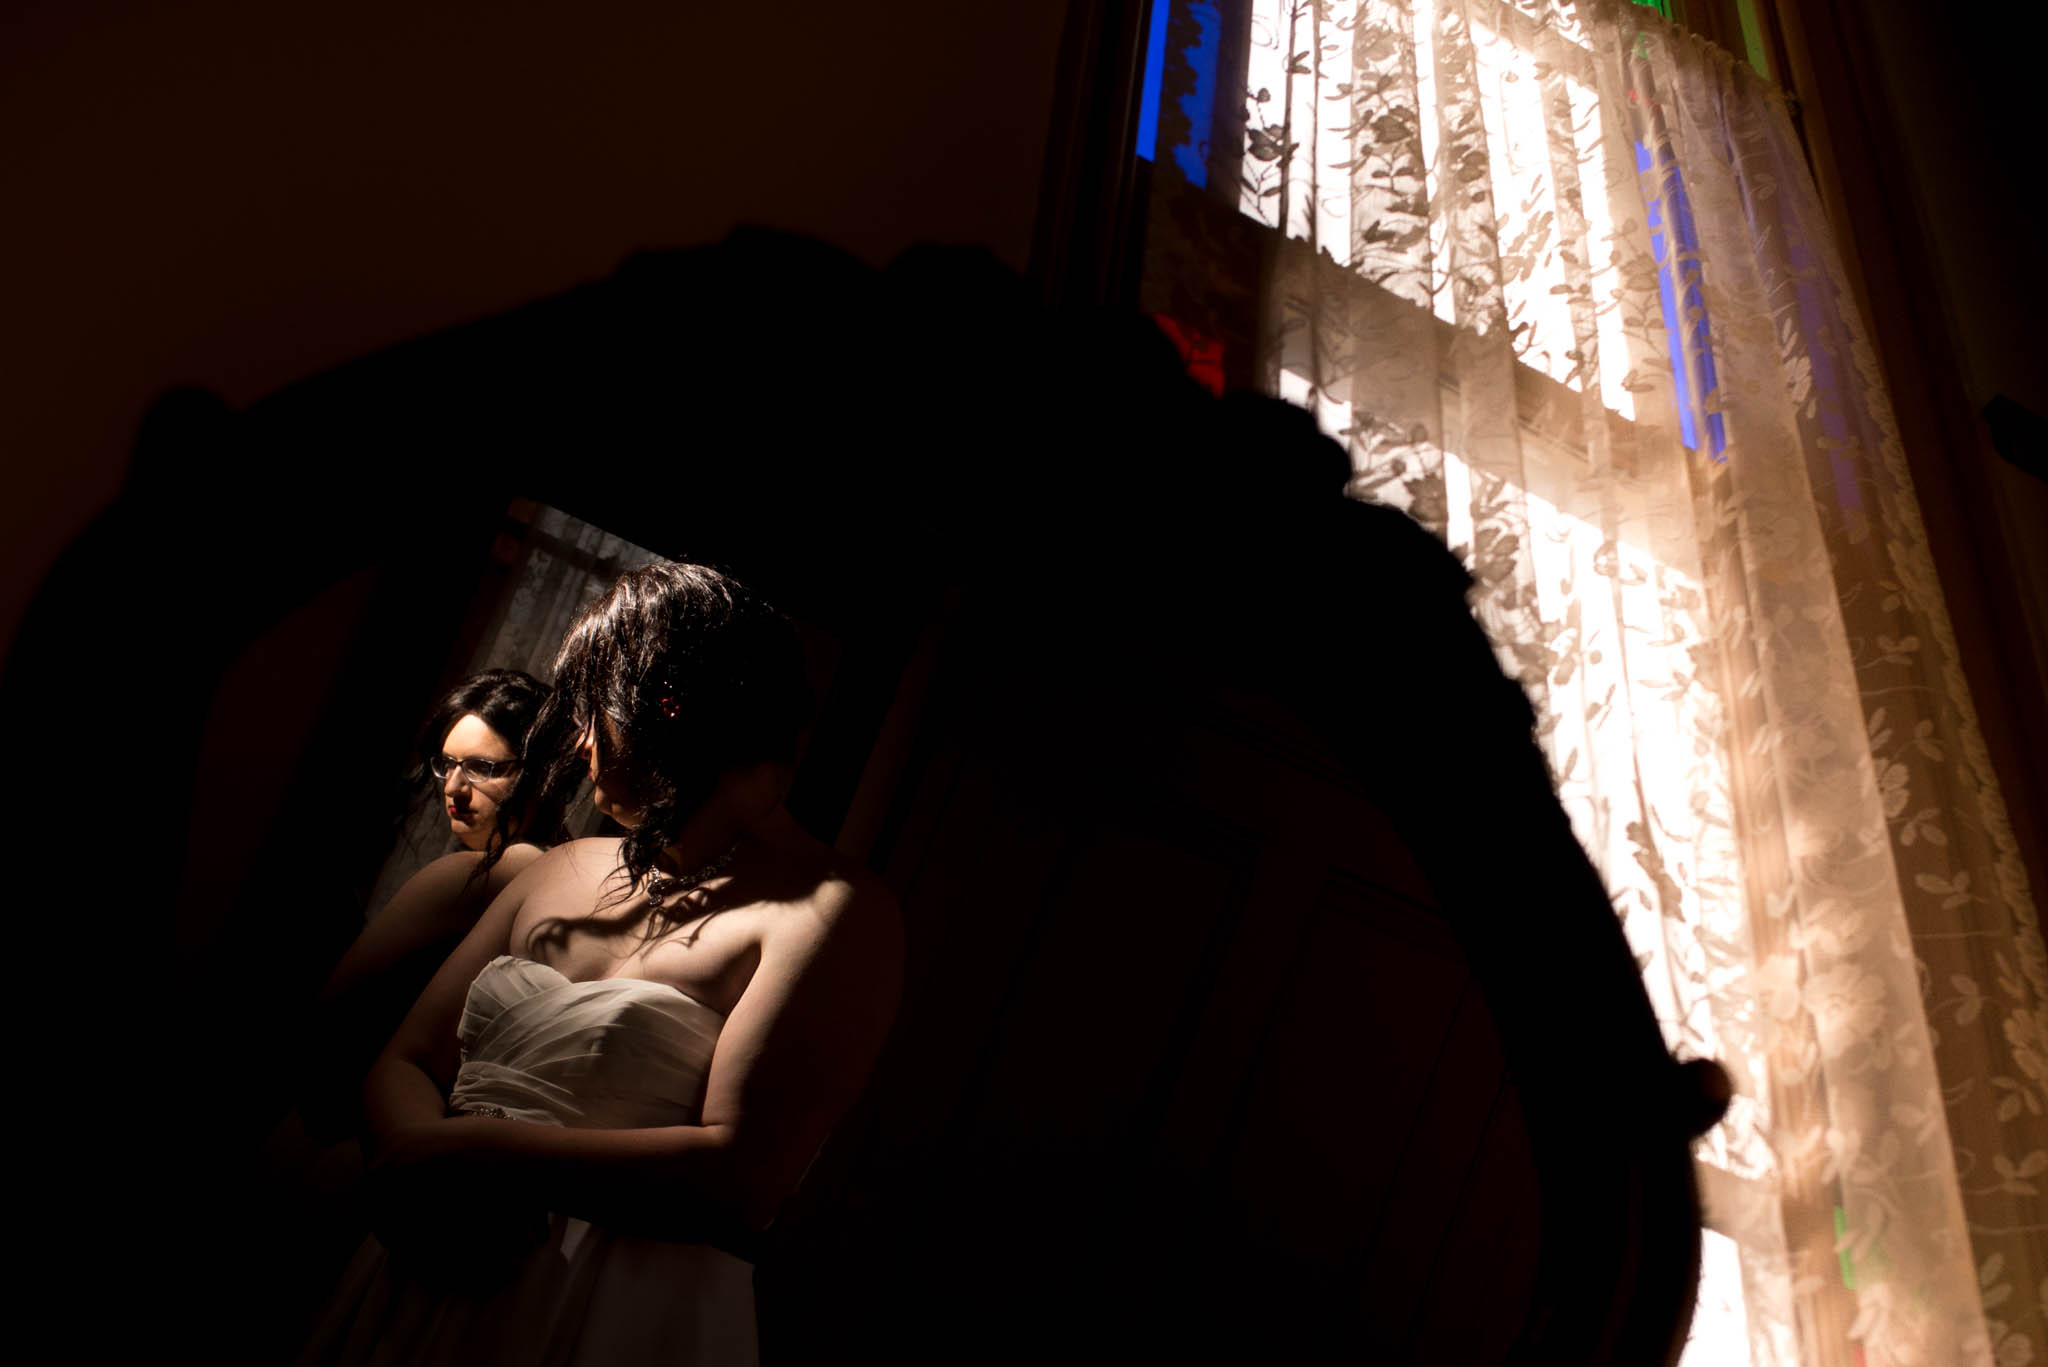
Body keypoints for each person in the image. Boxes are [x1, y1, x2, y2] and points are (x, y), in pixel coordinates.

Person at [301, 562, 903, 1366]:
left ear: (665, 705)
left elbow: (740, 1174)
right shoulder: (560, 867)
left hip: (609, 1306)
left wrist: (471, 1153)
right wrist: (417, 1172)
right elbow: (405, 1057)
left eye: (594, 710)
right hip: (425, 1260)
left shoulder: (831, 911)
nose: (583, 740)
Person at [302, 668, 560, 1142]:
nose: (454, 788)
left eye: (483, 768)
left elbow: (328, 1018)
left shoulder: (481, 874)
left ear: (541, 770)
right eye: (448, 764)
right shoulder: (558, 871)